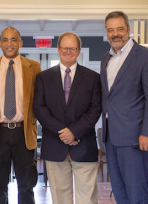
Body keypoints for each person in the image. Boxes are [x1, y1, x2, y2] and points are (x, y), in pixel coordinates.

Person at [100, 11, 148, 204]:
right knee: (119, 191)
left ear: (128, 29)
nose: (115, 34)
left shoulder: (146, 57)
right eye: (110, 30)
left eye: (119, 29)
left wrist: (147, 133)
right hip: (111, 138)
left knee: (136, 193)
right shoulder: (106, 59)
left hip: (136, 138)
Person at [34, 32, 101, 204]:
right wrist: (63, 132)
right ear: (58, 49)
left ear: (79, 51)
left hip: (84, 145)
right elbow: (39, 108)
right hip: (55, 145)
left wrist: (74, 132)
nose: (68, 51)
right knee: (60, 198)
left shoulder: (93, 78)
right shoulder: (43, 77)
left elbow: (95, 109)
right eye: (65, 48)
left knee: (87, 198)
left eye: (72, 48)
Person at [0, 27, 41, 204]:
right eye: (5, 40)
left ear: (20, 43)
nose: (9, 44)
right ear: (0, 43)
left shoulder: (33, 67)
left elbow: (39, 97)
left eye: (13, 39)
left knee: (27, 185)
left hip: (24, 133)